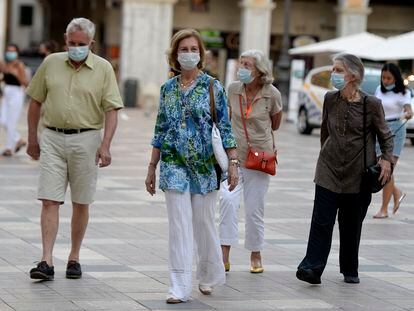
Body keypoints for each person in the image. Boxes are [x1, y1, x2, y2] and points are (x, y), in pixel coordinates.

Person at [145, 28, 238, 304]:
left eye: (193, 49)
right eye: (183, 49)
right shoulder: (167, 89)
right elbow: (160, 129)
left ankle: (208, 274)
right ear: (175, 55)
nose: (188, 54)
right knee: (179, 226)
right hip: (173, 165)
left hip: (204, 167)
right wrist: (152, 166)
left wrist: (233, 163)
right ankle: (179, 285)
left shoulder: (213, 87)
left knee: (203, 224)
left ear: (201, 54)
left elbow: (225, 127)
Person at [26, 17, 123, 281]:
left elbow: (112, 110)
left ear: (91, 43)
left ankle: (74, 257)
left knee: (81, 202)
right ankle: (46, 260)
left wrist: (106, 145)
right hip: (53, 138)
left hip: (87, 139)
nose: (76, 48)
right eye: (71, 43)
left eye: (81, 44)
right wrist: (32, 140)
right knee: (49, 199)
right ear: (65, 40)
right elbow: (35, 102)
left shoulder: (103, 68)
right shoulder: (51, 63)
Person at [296, 53, 393, 285]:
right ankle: (312, 268)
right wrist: (326, 156)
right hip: (328, 170)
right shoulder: (330, 98)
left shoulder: (371, 104)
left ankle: (350, 268)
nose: (334, 74)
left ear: (353, 75)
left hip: (357, 175)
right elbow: (324, 133)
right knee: (321, 221)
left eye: (338, 70)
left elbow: (386, 136)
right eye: (334, 70)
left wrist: (387, 160)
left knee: (350, 225)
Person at [218, 50, 282, 274]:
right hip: (234, 156)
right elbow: (226, 119)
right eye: (241, 64)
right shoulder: (233, 89)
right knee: (227, 201)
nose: (241, 68)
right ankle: (224, 253)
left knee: (254, 209)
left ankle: (256, 253)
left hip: (260, 158)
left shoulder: (271, 94)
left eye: (247, 65)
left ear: (259, 71)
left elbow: (275, 124)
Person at [373, 63, 412, 219]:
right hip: (379, 129)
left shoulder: (404, 93)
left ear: (396, 78)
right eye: (383, 77)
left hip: (396, 130)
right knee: (380, 168)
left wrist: (409, 112)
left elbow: (409, 109)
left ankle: (384, 209)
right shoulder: (378, 90)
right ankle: (396, 192)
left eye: (389, 78)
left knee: (387, 169)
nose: (386, 81)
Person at [0, 44, 28, 156]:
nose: (10, 53)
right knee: (2, 120)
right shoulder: (6, 64)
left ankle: (8, 148)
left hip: (16, 93)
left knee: (11, 122)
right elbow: (4, 78)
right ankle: (19, 140)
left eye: (12, 51)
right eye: (8, 51)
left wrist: (16, 74)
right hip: (7, 93)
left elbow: (25, 82)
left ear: (17, 52)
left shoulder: (19, 65)